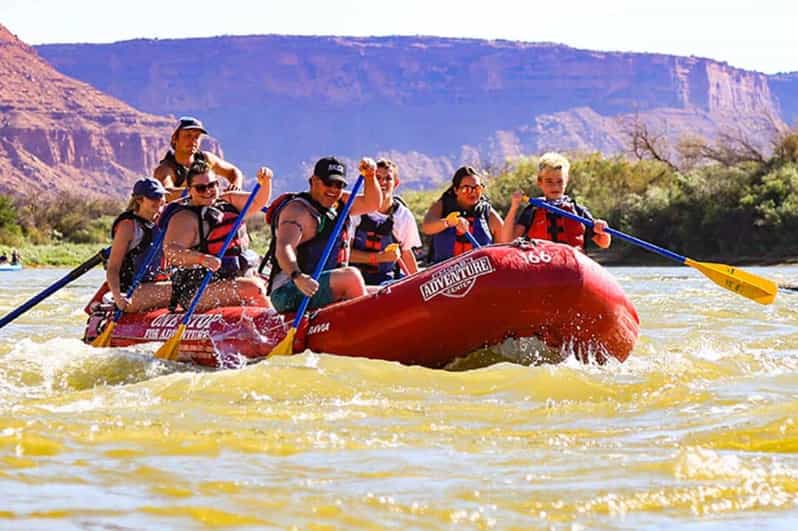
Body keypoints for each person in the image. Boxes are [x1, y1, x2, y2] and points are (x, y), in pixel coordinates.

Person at [263, 156, 382, 313]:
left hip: (323, 285)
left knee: (383, 292)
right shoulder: (297, 211)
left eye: (339, 185)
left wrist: (370, 176)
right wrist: (298, 276)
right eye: (328, 183)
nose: (333, 189)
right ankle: (367, 329)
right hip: (290, 289)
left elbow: (372, 203)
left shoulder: (341, 202)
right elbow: (284, 248)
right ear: (314, 181)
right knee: (351, 277)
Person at [163, 161, 272, 313]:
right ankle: (277, 327)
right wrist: (201, 259)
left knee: (271, 283)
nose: (208, 191)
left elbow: (257, 201)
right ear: (190, 190)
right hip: (197, 290)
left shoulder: (229, 200)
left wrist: (265, 182)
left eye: (212, 185)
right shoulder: (185, 218)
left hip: (235, 276)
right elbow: (171, 251)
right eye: (201, 188)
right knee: (254, 288)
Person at [501, 152, 611, 250]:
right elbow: (507, 240)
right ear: (540, 182)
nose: (555, 186)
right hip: (541, 266)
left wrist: (602, 230)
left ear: (566, 181)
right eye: (549, 181)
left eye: (560, 181)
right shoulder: (532, 211)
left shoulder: (577, 210)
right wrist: (514, 207)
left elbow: (604, 243)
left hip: (571, 267)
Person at [349, 159, 422, 284]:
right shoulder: (356, 210)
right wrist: (378, 258)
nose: (382, 182)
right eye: (377, 178)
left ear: (396, 183)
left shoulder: (403, 216)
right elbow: (345, 254)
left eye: (388, 178)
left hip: (387, 279)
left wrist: (419, 284)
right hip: (355, 278)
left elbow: (406, 253)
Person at [106, 177, 171, 313]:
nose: (160, 201)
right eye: (154, 197)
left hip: (158, 285)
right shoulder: (128, 226)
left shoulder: (164, 220)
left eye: (162, 196)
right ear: (139, 200)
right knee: (180, 290)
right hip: (134, 290)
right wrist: (118, 297)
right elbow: (112, 268)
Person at [421, 166, 503, 264]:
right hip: (445, 274)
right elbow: (426, 227)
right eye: (466, 189)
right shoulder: (442, 205)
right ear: (456, 190)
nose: (472, 192)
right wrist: (448, 222)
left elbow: (504, 243)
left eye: (477, 188)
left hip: (481, 272)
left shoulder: (486, 212)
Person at [152, 116, 244, 198]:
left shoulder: (206, 159)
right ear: (175, 139)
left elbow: (234, 172)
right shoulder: (166, 169)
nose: (193, 140)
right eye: (188, 135)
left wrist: (235, 186)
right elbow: (167, 193)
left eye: (197, 136)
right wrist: (198, 190)